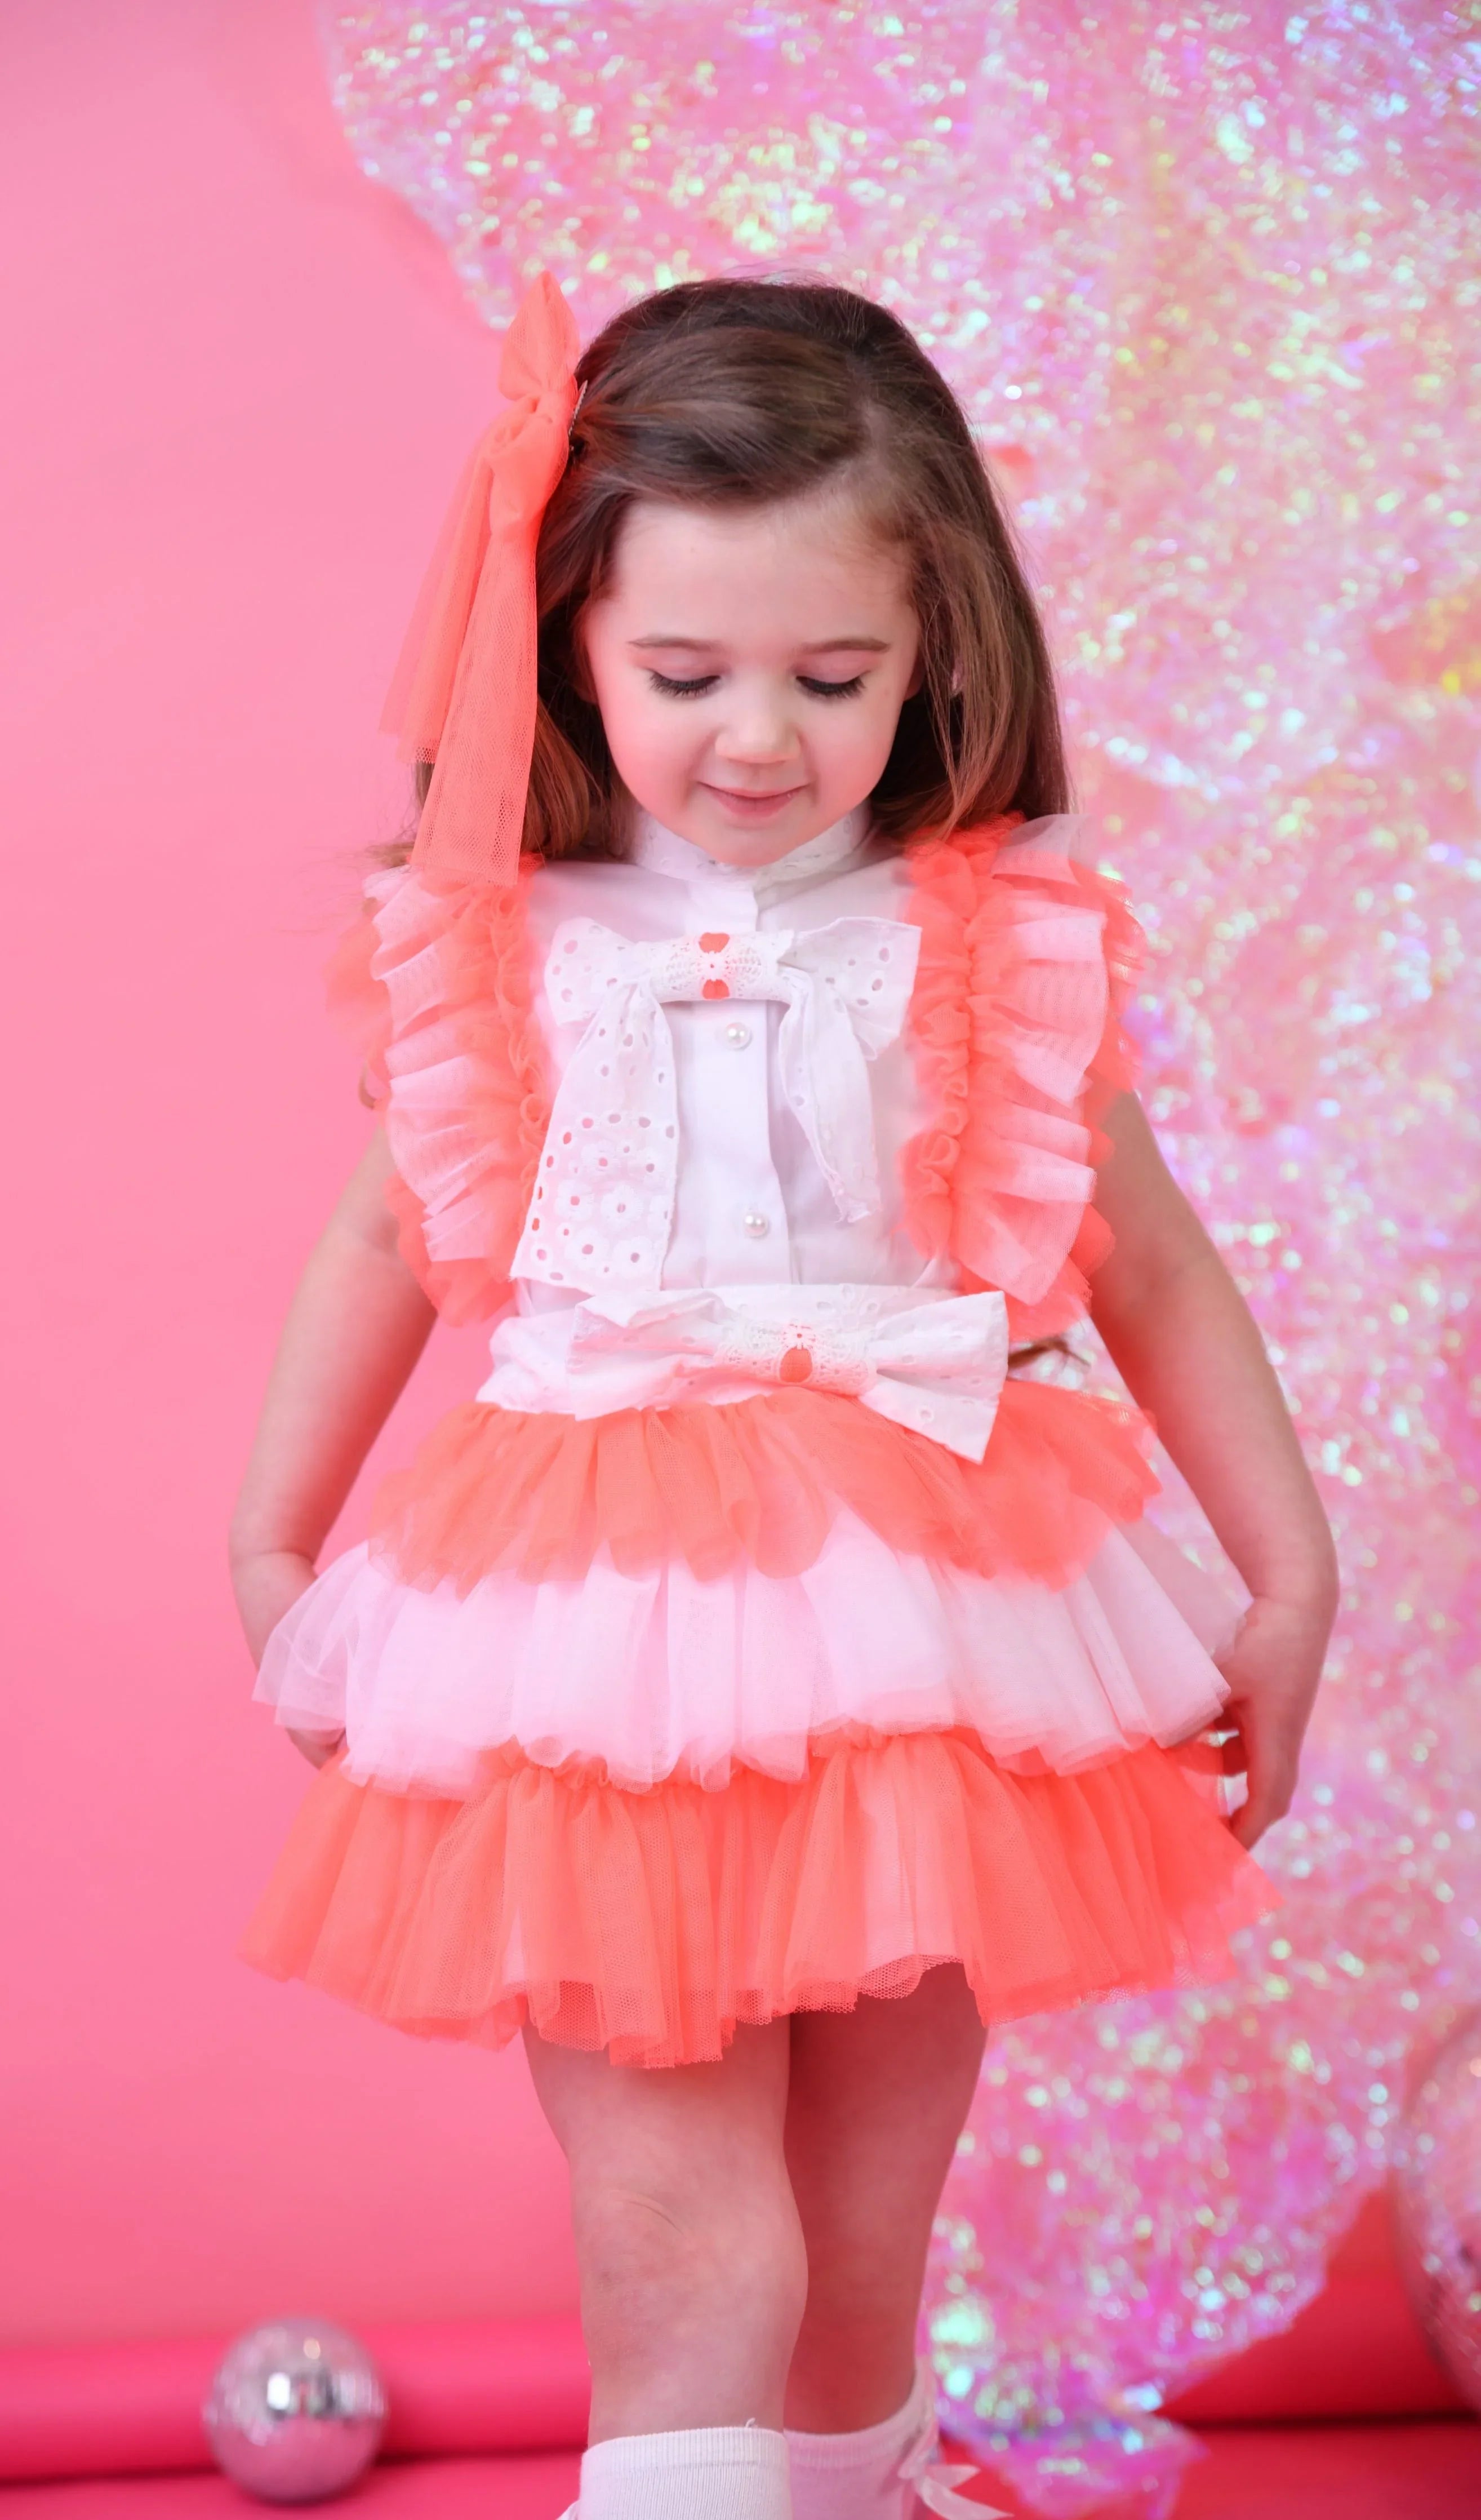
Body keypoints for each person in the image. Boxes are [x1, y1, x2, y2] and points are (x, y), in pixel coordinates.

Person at [228, 272, 1336, 2520]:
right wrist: (276, 1529)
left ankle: (855, 2486)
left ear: (938, 653)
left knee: (856, 2214)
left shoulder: (982, 937)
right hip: (596, 1626)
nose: (757, 736)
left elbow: (1146, 1262)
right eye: (682, 673)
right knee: (671, 2219)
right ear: (563, 651)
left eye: (829, 677)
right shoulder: (510, 944)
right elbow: (379, 1240)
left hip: (928, 1623)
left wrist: (1285, 1561)